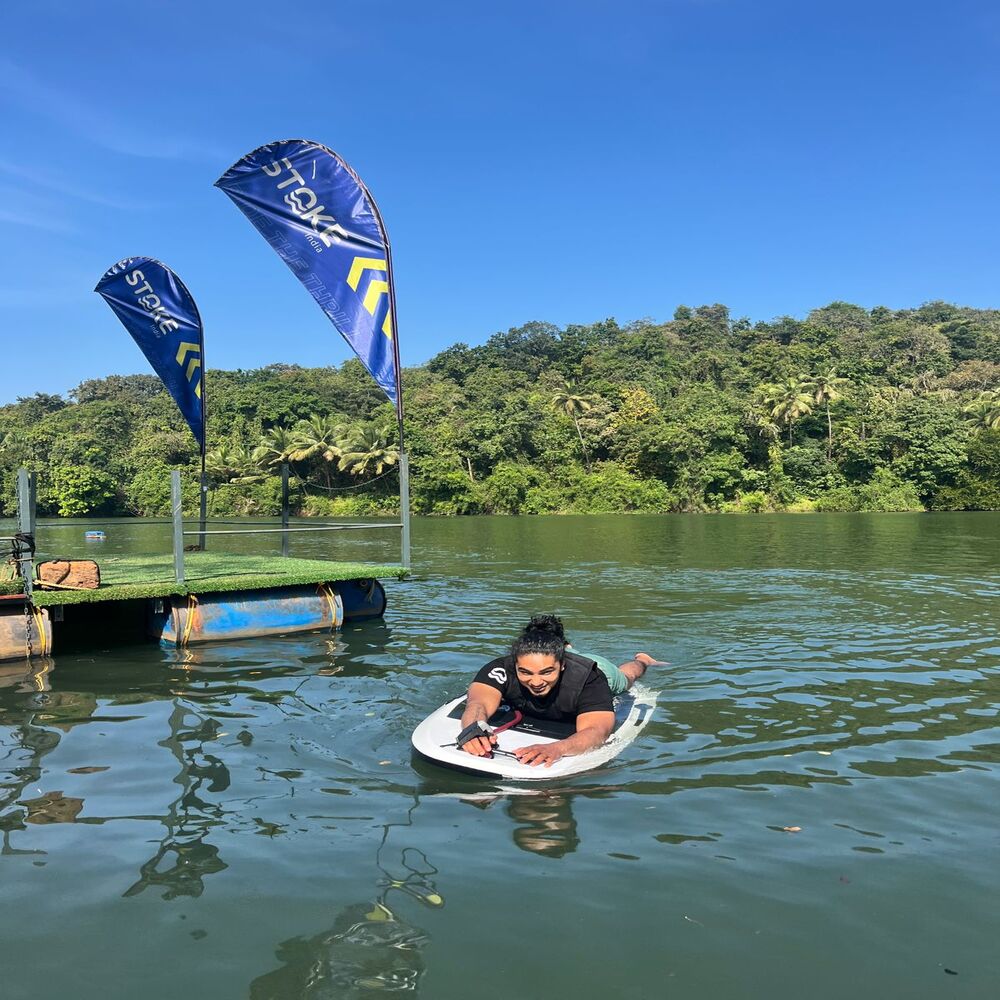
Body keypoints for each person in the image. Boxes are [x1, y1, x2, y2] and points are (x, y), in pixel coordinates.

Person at [458, 614, 663, 767]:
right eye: (526, 673)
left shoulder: (590, 678)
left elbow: (597, 731)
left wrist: (557, 749)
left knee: (627, 677)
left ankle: (643, 659)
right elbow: (478, 704)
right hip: (554, 654)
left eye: (546, 673)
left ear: (562, 665)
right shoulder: (501, 668)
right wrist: (473, 728)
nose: (536, 682)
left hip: (600, 670)